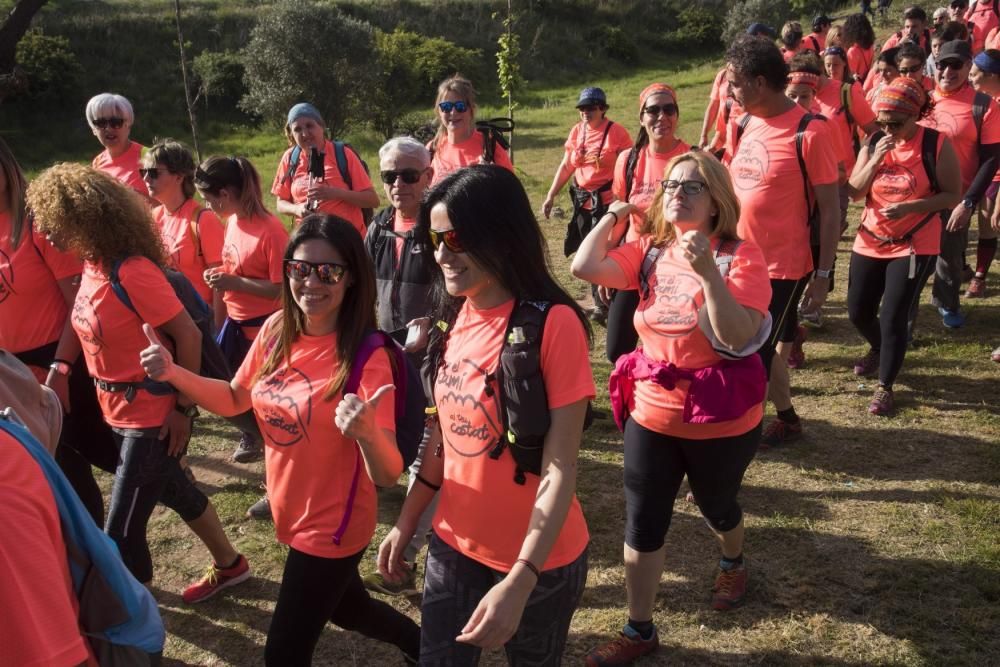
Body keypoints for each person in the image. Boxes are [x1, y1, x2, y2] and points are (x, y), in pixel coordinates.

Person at [140, 213, 422, 666]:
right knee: (349, 609)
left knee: (284, 655)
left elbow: (388, 472)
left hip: (332, 526)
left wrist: (368, 433)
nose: (312, 282)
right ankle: (423, 646)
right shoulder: (277, 331)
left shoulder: (366, 358)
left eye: (328, 271)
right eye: (299, 268)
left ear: (352, 279)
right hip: (292, 508)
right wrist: (175, 374)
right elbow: (235, 398)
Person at [377, 165, 593, 665]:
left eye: (456, 238)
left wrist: (520, 580)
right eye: (435, 238)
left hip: (541, 562)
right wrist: (406, 524)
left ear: (502, 233)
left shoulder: (553, 325)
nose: (442, 254)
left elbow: (561, 469)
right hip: (454, 544)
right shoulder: (451, 317)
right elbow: (443, 438)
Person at [573, 150, 772, 665]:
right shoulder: (650, 250)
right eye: (670, 186)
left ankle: (733, 558)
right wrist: (618, 212)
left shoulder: (741, 257)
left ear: (716, 201)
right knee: (643, 520)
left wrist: (708, 273)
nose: (677, 194)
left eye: (691, 187)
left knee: (717, 506)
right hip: (652, 411)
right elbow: (583, 265)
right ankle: (639, 629)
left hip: (719, 418)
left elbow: (736, 336)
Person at [26, 163, 250, 602]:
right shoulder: (92, 266)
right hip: (117, 414)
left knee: (121, 533)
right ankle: (232, 565)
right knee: (177, 492)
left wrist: (184, 408)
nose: (48, 236)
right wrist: (63, 368)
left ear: (85, 220)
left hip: (151, 417)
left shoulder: (132, 271)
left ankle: (138, 632)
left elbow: (186, 334)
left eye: (55, 226)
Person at [723, 35, 840, 448]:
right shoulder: (742, 123)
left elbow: (831, 210)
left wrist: (823, 274)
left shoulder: (810, 132)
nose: (728, 91)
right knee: (757, 352)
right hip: (737, 262)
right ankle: (788, 419)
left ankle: (733, 451)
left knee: (749, 358)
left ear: (758, 82)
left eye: (734, 83)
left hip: (783, 269)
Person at [0, 138, 118, 526]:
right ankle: (94, 559)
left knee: (108, 456)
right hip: (12, 373)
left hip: (61, 362)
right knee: (56, 470)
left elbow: (80, 302)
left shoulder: (36, 223)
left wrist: (62, 368)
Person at [847, 77, 961, 415]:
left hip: (913, 244)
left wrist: (911, 207)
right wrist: (873, 158)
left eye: (896, 123)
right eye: (883, 122)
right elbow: (854, 192)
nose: (889, 128)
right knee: (857, 312)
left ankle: (885, 387)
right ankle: (881, 348)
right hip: (870, 238)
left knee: (893, 315)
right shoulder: (875, 141)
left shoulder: (936, 144)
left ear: (916, 115)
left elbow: (952, 195)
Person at [360, 136, 438, 596]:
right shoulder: (380, 225)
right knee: (398, 442)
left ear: (428, 176)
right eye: (389, 175)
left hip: (436, 357)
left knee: (429, 449)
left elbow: (470, 291)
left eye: (409, 175)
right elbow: (366, 287)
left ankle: (404, 557)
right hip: (389, 356)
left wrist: (437, 323)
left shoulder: (441, 223)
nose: (398, 184)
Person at [196, 155, 289, 463]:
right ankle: (255, 436)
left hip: (263, 332)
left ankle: (276, 455)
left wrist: (234, 282)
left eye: (209, 200)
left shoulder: (271, 230)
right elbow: (237, 265)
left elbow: (283, 289)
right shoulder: (234, 221)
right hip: (235, 325)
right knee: (228, 393)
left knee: (267, 402)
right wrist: (221, 274)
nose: (208, 207)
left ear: (225, 194)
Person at [915, 40, 1000, 330]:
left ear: (968, 68)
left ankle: (947, 302)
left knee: (950, 256)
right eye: (942, 64)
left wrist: (968, 202)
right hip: (919, 194)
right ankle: (906, 310)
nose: (947, 71)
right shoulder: (921, 100)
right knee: (910, 257)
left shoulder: (983, 105)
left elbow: (991, 160)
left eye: (956, 65)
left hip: (956, 198)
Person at [605, 84, 691, 363]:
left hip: (674, 266)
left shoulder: (691, 160)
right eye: (653, 110)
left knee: (671, 347)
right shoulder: (627, 160)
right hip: (632, 262)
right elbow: (619, 215)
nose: (661, 117)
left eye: (669, 109)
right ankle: (631, 401)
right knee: (617, 349)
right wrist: (608, 260)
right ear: (641, 117)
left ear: (677, 115)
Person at [543, 86, 633, 324]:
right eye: (582, 108)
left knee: (606, 251)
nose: (586, 112)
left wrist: (625, 200)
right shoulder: (576, 132)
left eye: (591, 107)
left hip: (607, 203)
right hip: (582, 202)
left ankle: (611, 302)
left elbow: (630, 166)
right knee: (586, 250)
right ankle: (599, 302)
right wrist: (551, 195)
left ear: (602, 109)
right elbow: (566, 166)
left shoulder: (617, 133)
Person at [142, 139, 226, 322]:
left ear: (179, 176)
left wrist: (219, 335)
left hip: (201, 320)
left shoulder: (204, 220)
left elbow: (221, 284)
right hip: (168, 318)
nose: (146, 179)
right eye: (144, 172)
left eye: (153, 173)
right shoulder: (153, 217)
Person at [271, 102, 378, 237]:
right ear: (292, 134)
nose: (305, 134)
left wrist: (335, 193)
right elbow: (280, 203)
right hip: (309, 241)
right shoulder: (290, 158)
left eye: (309, 125)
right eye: (297, 129)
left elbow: (372, 200)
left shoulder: (343, 154)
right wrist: (297, 209)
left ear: (321, 126)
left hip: (346, 241)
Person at [428, 75, 514, 185]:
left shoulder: (489, 148)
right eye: (446, 107)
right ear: (439, 111)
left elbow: (512, 193)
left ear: (471, 110)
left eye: (460, 106)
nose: (453, 112)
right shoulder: (432, 149)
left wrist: (492, 178)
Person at [968, 49, 1000, 299]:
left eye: (974, 73)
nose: (969, 77)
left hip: (997, 176)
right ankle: (977, 275)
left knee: (990, 223)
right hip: (982, 171)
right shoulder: (980, 100)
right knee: (985, 226)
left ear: (990, 75)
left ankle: (978, 278)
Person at [85, 93, 149, 199]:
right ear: (93, 129)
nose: (109, 129)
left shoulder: (150, 157)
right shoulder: (97, 162)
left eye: (116, 122)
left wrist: (123, 193)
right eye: (101, 123)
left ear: (128, 125)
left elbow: (168, 206)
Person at [843, 13, 877, 84]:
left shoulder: (853, 51)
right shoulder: (870, 46)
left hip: (858, 85)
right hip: (868, 82)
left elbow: (849, 75)